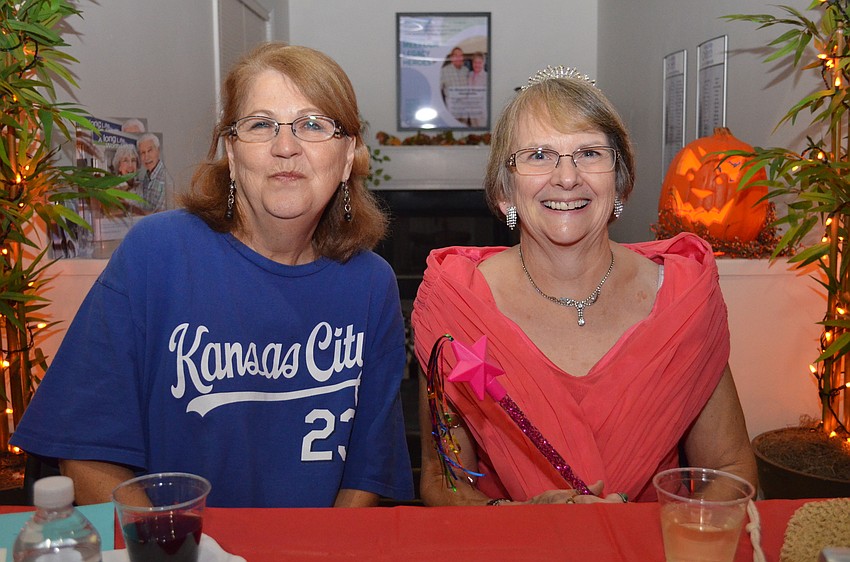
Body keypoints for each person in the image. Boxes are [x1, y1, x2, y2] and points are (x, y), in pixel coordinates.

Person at [11, 42, 414, 508]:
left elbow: (367, 473)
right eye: (261, 125)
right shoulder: (155, 254)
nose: (286, 147)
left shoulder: (371, 284)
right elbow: (84, 453)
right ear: (232, 152)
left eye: (313, 125)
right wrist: (173, 549)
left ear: (347, 157)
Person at [412, 65, 757, 506]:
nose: (567, 177)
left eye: (590, 153)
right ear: (504, 191)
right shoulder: (455, 302)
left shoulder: (683, 297)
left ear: (620, 181)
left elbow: (729, 468)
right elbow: (443, 482)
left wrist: (642, 532)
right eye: (538, 155)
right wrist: (523, 522)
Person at [137, 132, 167, 212]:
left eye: (150, 150)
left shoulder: (165, 178)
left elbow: (159, 216)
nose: (146, 156)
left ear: (158, 150)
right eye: (142, 153)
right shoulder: (146, 176)